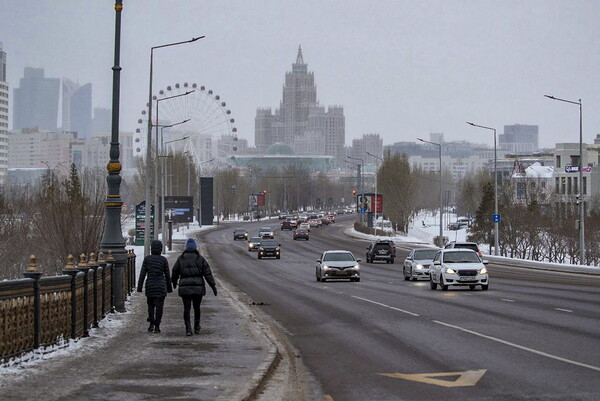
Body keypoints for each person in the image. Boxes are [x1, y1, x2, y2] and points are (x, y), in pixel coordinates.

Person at [171, 238, 217, 336]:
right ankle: (197, 326)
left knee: (186, 308)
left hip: (185, 288)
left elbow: (175, 271)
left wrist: (174, 282)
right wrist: (213, 286)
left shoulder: (181, 258)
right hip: (198, 288)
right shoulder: (200, 259)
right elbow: (207, 273)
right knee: (197, 307)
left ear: (186, 247)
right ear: (195, 247)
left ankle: (188, 329)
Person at [137, 240, 172, 333]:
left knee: (150, 305)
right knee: (159, 308)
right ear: (160, 249)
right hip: (160, 286)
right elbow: (167, 275)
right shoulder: (163, 260)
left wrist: (139, 287)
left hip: (150, 286)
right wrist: (169, 288)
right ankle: (157, 326)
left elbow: (142, 274)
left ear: (152, 248)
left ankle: (151, 324)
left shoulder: (147, 259)